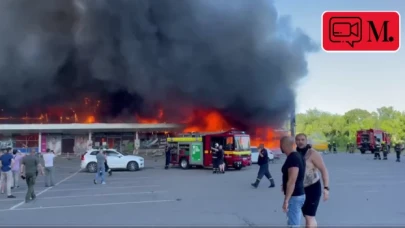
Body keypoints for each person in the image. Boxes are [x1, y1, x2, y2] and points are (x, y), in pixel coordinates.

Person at [296, 133, 330, 228]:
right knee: (306, 215)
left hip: (313, 188)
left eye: (302, 139)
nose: (300, 142)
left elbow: (323, 170)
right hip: (300, 189)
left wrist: (326, 188)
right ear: (295, 141)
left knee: (309, 216)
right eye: (298, 140)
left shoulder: (313, 154)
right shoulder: (295, 154)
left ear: (306, 141)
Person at [280, 136, 306, 227]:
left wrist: (286, 201)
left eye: (281, 145)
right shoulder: (297, 155)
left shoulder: (293, 158)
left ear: (284, 145)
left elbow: (292, 181)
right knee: (294, 222)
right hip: (298, 195)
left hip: (294, 196)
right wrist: (284, 184)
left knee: (293, 224)